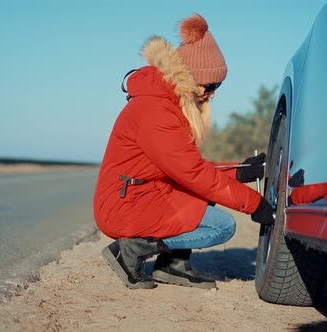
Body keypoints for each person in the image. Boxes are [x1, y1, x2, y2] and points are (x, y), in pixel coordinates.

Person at [93, 13, 274, 290]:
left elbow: (186, 165)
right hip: (126, 205)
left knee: (203, 196)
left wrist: (240, 171)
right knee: (222, 227)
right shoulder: (156, 111)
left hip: (146, 193)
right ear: (189, 78)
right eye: (210, 86)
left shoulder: (165, 102)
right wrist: (254, 203)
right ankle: (128, 251)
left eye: (218, 86)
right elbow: (192, 173)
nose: (212, 94)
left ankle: (172, 266)